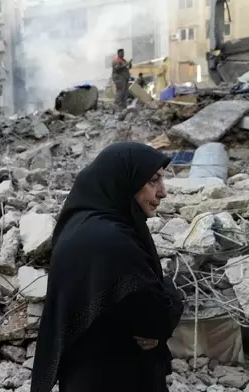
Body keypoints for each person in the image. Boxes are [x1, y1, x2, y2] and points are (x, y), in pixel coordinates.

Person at [30, 142, 184, 392]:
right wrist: (172, 293)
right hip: (119, 378)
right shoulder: (112, 242)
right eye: (153, 181)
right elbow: (156, 321)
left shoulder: (79, 224)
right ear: (124, 180)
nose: (162, 192)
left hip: (86, 375)